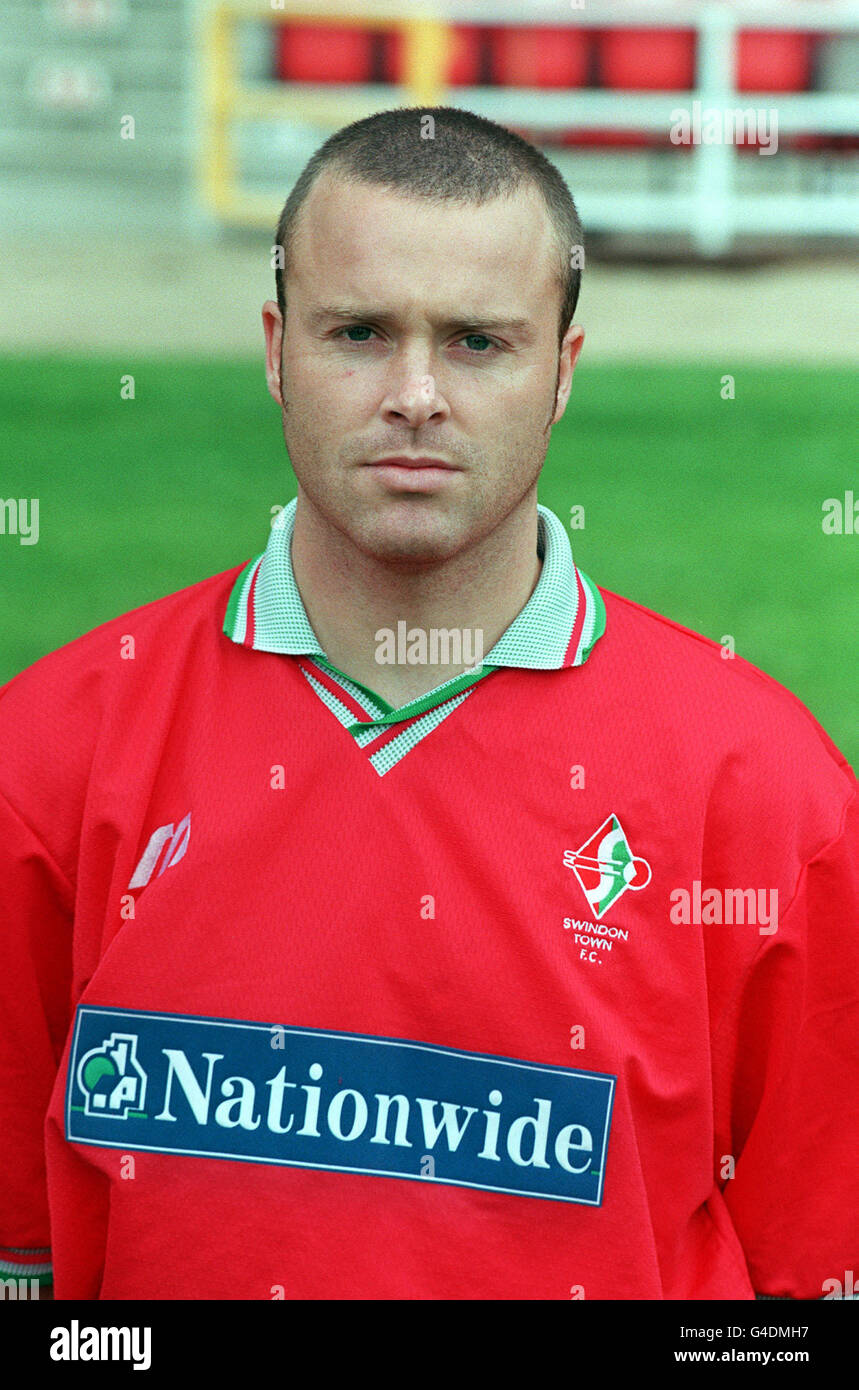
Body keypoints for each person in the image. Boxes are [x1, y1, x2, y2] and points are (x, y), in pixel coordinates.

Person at [1, 106, 856, 1301]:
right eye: (357, 331)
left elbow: (806, 1278)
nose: (414, 394)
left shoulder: (767, 791)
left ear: (559, 372)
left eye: (475, 342)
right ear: (275, 350)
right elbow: (21, 1256)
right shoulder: (46, 756)